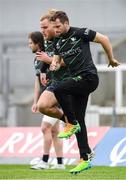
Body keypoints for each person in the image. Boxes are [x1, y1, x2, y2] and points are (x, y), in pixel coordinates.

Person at [49, 11, 120, 174]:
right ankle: (85, 158)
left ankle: (70, 123)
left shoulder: (80, 33)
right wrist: (55, 64)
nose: (56, 30)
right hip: (77, 80)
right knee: (80, 120)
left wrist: (111, 59)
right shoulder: (57, 41)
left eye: (58, 26)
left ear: (67, 23)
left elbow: (104, 39)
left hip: (89, 78)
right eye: (54, 27)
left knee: (59, 89)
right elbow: (57, 60)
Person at [28, 31, 65, 170]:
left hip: (56, 96)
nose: (29, 45)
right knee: (54, 131)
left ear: (38, 44)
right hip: (46, 97)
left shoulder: (50, 56)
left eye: (31, 43)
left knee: (45, 127)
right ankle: (60, 163)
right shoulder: (36, 59)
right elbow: (37, 81)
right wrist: (35, 101)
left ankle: (44, 161)